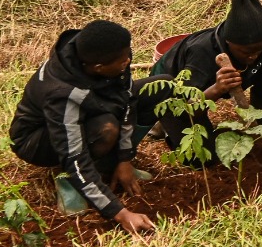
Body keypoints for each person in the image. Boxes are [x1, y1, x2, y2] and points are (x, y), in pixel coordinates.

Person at [9, 20, 154, 235]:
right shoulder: (61, 93)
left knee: (160, 86)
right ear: (98, 68)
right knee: (106, 129)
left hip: (89, 106)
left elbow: (126, 99)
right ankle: (68, 180)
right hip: (38, 140)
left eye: (127, 57)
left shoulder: (110, 53)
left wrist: (124, 158)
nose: (128, 62)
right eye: (123, 62)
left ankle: (109, 163)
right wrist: (121, 213)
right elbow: (73, 154)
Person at [138, 0, 262, 160]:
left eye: (258, 50)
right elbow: (186, 109)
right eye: (246, 52)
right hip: (173, 88)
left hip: (201, 89)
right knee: (201, 158)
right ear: (229, 42)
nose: (253, 56)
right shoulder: (202, 54)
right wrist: (216, 89)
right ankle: (161, 124)